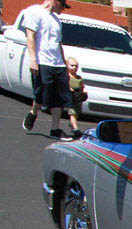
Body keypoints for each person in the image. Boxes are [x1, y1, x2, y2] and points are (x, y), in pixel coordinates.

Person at [22, 0, 74, 140]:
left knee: (58, 97)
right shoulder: (34, 11)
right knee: (42, 95)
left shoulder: (57, 20)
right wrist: (33, 59)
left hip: (58, 63)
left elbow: (58, 43)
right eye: (63, 6)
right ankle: (33, 112)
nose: (62, 10)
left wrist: (64, 64)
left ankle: (55, 129)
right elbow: (30, 37)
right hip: (42, 61)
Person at [65, 57, 86, 139]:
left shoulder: (78, 78)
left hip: (78, 97)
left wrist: (84, 91)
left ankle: (72, 124)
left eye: (76, 66)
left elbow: (82, 85)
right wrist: (69, 89)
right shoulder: (66, 77)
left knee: (77, 112)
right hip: (70, 97)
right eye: (72, 65)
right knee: (72, 112)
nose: (74, 67)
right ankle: (75, 128)